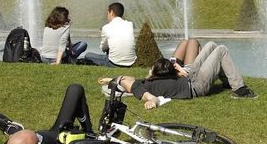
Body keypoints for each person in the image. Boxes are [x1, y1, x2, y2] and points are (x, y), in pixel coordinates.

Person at [100, 39, 257, 102]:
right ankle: (240, 89)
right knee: (221, 49)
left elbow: (128, 78)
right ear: (125, 86)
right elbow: (148, 97)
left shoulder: (141, 83)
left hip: (188, 77)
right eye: (122, 81)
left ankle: (226, 81)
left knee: (211, 45)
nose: (125, 79)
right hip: (196, 86)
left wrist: (112, 79)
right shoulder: (139, 89)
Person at [85, 2, 136, 67]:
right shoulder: (130, 24)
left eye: (108, 13)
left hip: (114, 63)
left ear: (111, 12)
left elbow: (103, 48)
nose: (107, 16)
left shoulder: (106, 27)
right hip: (131, 63)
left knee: (88, 55)